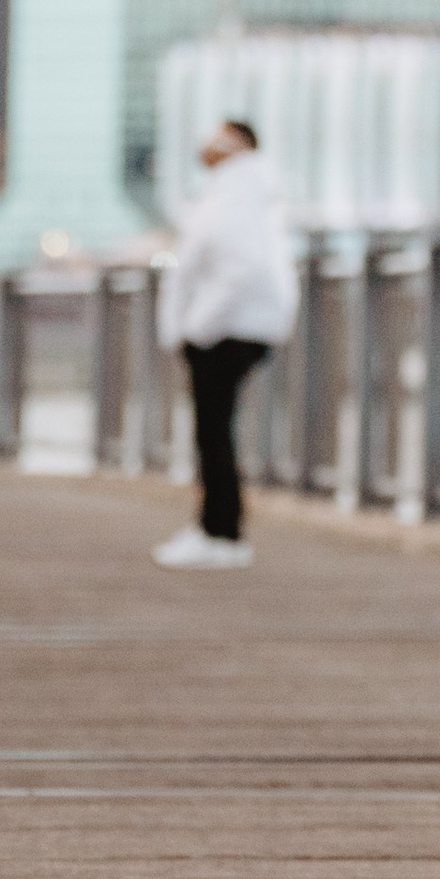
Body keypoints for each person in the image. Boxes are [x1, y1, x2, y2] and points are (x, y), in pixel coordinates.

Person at [153, 118, 300, 570]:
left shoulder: (238, 192)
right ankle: (216, 529)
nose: (208, 142)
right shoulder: (241, 190)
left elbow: (239, 267)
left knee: (213, 433)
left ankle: (222, 533)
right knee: (214, 432)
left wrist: (198, 325)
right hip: (230, 325)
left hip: (226, 330)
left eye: (220, 135)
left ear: (240, 144)